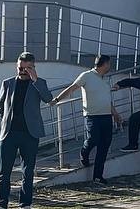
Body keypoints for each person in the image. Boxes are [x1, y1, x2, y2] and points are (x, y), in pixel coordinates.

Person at [0, 52, 53, 209]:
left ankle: (25, 205)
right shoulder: (8, 83)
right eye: (20, 68)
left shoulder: (39, 83)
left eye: (27, 68)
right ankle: (1, 205)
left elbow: (48, 98)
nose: (23, 71)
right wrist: (7, 120)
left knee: (28, 171)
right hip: (9, 133)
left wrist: (36, 80)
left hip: (30, 134)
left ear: (33, 67)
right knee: (4, 171)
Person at [52, 54, 123, 185]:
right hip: (92, 116)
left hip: (106, 116)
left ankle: (98, 176)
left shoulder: (104, 80)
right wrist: (56, 100)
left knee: (104, 146)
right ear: (105, 64)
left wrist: (115, 114)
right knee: (93, 139)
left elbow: (108, 100)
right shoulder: (86, 76)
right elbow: (71, 88)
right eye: (109, 64)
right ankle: (84, 153)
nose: (110, 67)